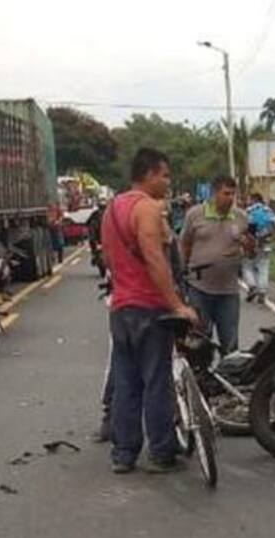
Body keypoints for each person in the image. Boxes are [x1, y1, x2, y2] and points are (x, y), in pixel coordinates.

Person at [100, 147, 200, 474]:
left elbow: (108, 258)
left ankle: (123, 454)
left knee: (126, 382)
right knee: (157, 380)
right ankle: (161, 452)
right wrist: (176, 305)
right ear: (150, 174)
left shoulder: (112, 209)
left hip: (121, 308)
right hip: (149, 308)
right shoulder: (147, 209)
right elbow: (155, 259)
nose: (168, 182)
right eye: (165, 175)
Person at [180, 174, 250, 354]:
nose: (230, 198)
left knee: (230, 341)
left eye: (232, 194)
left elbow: (251, 250)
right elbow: (185, 244)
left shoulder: (240, 217)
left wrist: (247, 245)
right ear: (214, 193)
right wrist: (182, 272)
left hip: (228, 290)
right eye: (226, 193)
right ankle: (200, 370)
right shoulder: (195, 214)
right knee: (199, 340)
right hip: (199, 288)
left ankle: (228, 369)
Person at [242, 192, 275, 304]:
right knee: (263, 267)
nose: (248, 202)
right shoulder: (269, 210)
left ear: (254, 199)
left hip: (251, 244)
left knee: (247, 266)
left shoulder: (248, 211)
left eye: (249, 199)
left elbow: (243, 226)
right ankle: (262, 291)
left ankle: (252, 286)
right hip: (265, 244)